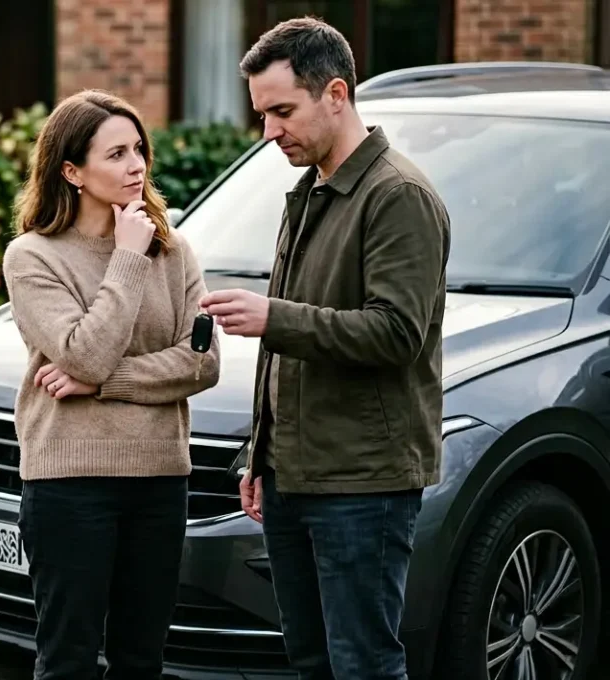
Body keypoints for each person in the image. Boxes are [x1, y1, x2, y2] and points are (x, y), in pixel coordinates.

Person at [199, 17, 450, 680]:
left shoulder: (398, 196)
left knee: (363, 664)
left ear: (335, 94)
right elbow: (289, 349)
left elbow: (396, 333)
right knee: (310, 661)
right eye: (262, 114)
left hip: (363, 485)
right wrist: (260, 456)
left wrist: (273, 316)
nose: (269, 131)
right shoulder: (310, 189)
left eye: (282, 111)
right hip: (291, 478)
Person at [1, 89, 221, 680]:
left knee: (141, 660)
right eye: (117, 154)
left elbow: (202, 363)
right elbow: (84, 353)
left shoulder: (174, 253)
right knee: (68, 662)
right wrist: (126, 257)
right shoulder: (33, 257)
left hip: (158, 479)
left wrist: (99, 384)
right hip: (70, 483)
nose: (137, 165)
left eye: (139, 150)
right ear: (72, 171)